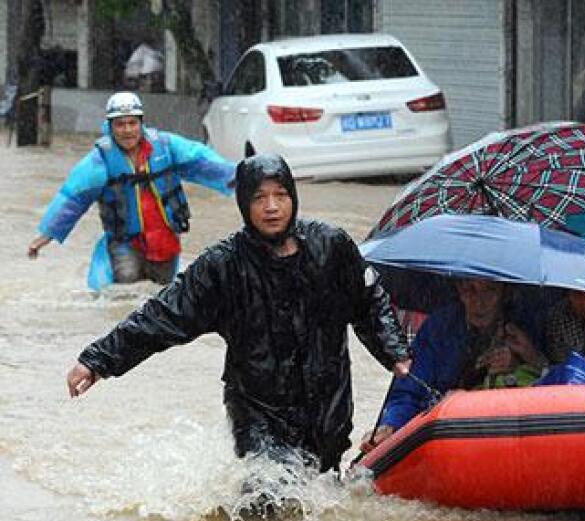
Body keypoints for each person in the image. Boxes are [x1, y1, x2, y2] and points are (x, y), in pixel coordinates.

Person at [64, 154, 411, 472]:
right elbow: (162, 316)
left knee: (321, 497)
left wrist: (394, 352)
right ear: (244, 204)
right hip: (258, 410)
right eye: (259, 198)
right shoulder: (223, 265)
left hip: (328, 405)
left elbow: (369, 302)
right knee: (267, 496)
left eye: (280, 196)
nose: (272, 208)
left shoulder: (331, 247)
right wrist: (99, 360)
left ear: (293, 197)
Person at [27, 91, 235, 290]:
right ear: (110, 127)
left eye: (132, 123)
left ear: (141, 124)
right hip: (125, 244)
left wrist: (236, 178)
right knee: (126, 289)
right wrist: (44, 238)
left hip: (165, 242)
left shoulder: (166, 147)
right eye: (120, 124)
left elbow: (202, 162)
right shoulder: (99, 162)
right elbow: (72, 200)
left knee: (163, 297)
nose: (127, 130)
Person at [365, 277, 547, 448]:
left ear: (505, 293)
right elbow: (409, 390)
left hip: (508, 432)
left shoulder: (528, 326)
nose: (479, 301)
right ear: (459, 289)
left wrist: (529, 360)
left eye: (489, 291)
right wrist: (391, 425)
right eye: (470, 289)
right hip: (445, 431)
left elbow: (559, 384)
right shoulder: (438, 328)